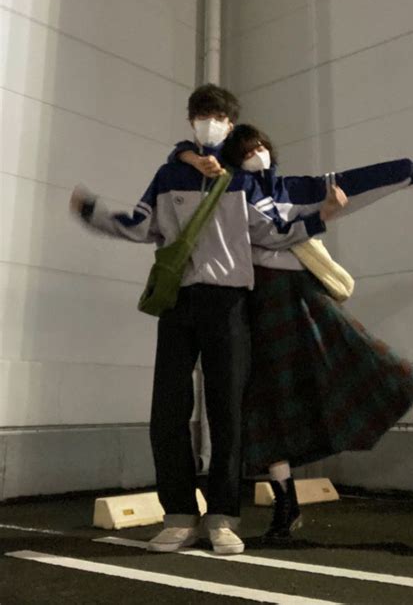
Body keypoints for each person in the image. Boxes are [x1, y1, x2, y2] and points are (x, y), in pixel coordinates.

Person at [69, 85, 338, 555]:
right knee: (167, 413)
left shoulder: (242, 177)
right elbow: (139, 223)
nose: (207, 121)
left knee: (227, 413)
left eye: (215, 115)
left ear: (230, 124)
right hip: (177, 302)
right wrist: (94, 212)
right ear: (190, 120)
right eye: (200, 114)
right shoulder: (169, 173)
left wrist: (321, 215)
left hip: (230, 302)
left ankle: (222, 518)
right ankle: (177, 516)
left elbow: (271, 232)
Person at [175, 123, 413, 542]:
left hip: (301, 295)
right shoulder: (229, 193)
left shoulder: (291, 188)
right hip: (257, 308)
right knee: (264, 405)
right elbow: (188, 158)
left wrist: (407, 171)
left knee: (364, 351)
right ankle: (285, 504)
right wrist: (191, 156)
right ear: (233, 158)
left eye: (261, 146)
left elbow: (350, 183)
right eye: (248, 150)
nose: (258, 153)